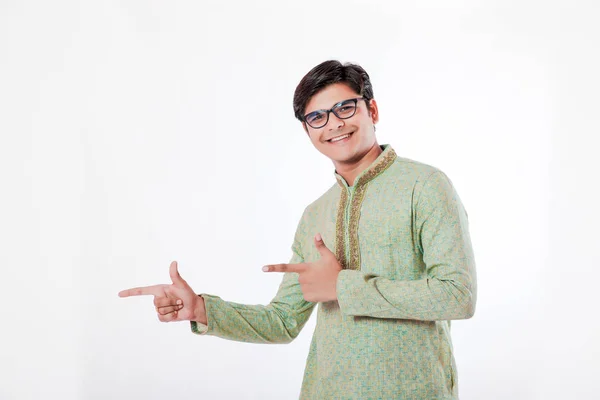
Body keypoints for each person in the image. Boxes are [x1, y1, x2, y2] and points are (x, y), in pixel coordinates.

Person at [119, 60, 477, 399]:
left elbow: (457, 295)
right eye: (317, 117)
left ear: (373, 111)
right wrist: (200, 309)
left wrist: (342, 286)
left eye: (345, 108)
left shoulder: (425, 185)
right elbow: (283, 321)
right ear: (307, 131)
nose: (334, 124)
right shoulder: (315, 214)